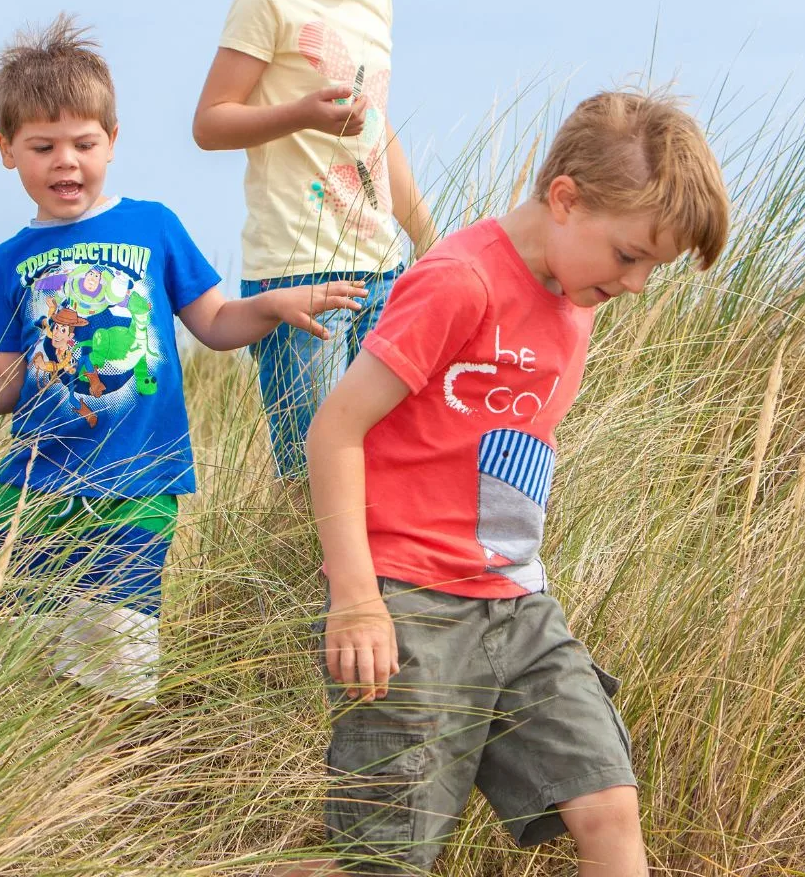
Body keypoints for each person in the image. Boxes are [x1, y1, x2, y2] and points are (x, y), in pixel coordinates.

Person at [296, 91, 730, 874]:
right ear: (564, 199)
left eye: (651, 269)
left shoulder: (576, 299)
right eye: (630, 256)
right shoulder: (460, 281)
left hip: (518, 601)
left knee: (607, 803)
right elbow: (336, 429)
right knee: (385, 851)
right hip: (410, 603)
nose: (635, 283)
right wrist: (358, 600)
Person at [0, 14, 364, 702]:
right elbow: (4, 384)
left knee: (114, 672)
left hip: (137, 489)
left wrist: (271, 306)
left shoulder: (153, 226)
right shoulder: (9, 262)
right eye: (43, 146)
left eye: (84, 142)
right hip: (34, 495)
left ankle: (105, 782)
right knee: (27, 678)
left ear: (112, 142)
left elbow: (212, 322)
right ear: (7, 151)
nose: (66, 161)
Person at [193, 0, 439, 479]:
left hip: (381, 267)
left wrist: (431, 243)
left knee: (385, 466)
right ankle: (299, 586)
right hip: (298, 271)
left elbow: (376, 128)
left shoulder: (377, 0)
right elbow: (211, 122)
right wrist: (300, 115)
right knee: (311, 475)